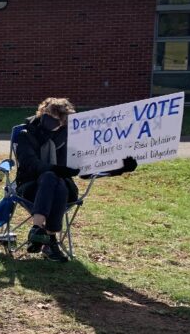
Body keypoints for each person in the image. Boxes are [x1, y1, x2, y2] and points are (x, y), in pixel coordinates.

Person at [15, 97, 136, 262]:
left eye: (60, 119)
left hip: (62, 189)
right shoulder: (26, 134)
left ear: (65, 122)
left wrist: (119, 168)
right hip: (30, 188)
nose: (54, 120)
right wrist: (57, 169)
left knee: (56, 182)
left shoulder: (70, 141)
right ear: (42, 111)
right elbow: (31, 164)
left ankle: (37, 231)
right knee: (52, 178)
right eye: (51, 114)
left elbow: (86, 171)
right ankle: (50, 241)